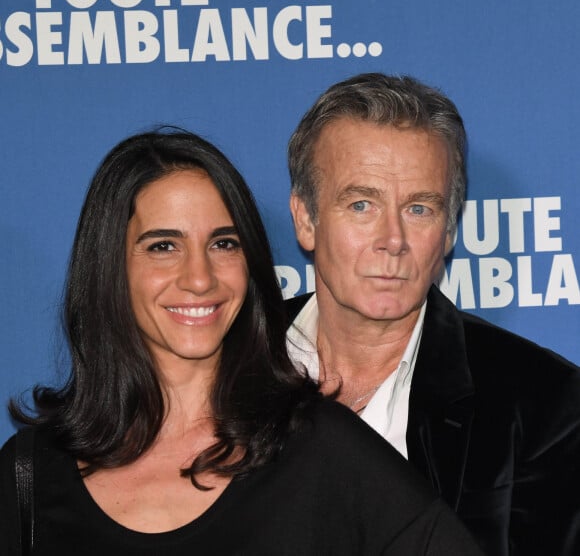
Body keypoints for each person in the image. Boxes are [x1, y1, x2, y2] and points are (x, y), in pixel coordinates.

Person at [0, 128, 483, 555]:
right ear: (109, 268)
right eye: (163, 246)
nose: (199, 277)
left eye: (223, 244)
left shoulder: (323, 449)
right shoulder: (30, 472)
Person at [286, 72, 580, 556]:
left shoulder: (542, 404)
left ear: (447, 232)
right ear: (306, 218)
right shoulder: (225, 365)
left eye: (420, 209)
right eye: (361, 205)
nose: (393, 240)